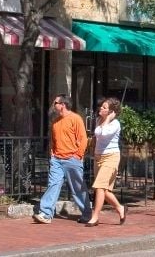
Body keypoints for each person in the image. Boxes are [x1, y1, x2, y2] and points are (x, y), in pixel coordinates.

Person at [33, 94, 92, 224]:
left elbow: (83, 139)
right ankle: (46, 213)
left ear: (63, 105)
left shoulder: (75, 119)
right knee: (53, 184)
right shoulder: (55, 122)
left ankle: (87, 213)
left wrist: (77, 155)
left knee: (78, 188)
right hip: (57, 160)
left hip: (72, 159)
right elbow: (53, 141)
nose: (54, 105)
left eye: (56, 103)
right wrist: (52, 153)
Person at [85, 97, 127, 226]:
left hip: (111, 157)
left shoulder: (115, 124)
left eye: (104, 107)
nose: (101, 109)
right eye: (101, 107)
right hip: (99, 157)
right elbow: (97, 137)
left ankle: (95, 217)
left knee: (99, 187)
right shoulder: (98, 120)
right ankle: (120, 208)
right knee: (104, 190)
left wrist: (108, 119)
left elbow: (104, 133)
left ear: (111, 111)